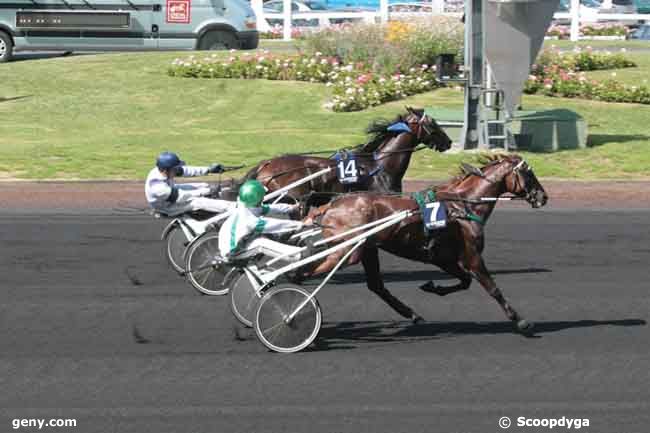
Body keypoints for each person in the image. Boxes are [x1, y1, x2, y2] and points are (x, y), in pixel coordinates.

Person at [218, 180, 305, 262]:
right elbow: (275, 225)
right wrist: (301, 224)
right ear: (258, 199)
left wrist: (292, 207)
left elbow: (270, 208)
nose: (263, 198)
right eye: (262, 197)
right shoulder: (249, 219)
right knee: (261, 243)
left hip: (235, 240)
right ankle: (299, 255)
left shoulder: (245, 204)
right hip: (232, 251)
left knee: (269, 236)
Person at [145, 151, 234, 216]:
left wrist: (209, 169)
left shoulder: (164, 170)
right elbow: (182, 197)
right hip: (167, 207)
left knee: (202, 185)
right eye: (175, 169)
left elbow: (187, 170)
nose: (177, 171)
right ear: (166, 170)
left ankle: (223, 193)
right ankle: (231, 207)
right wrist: (207, 191)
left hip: (172, 192)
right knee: (197, 202)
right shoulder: (157, 187)